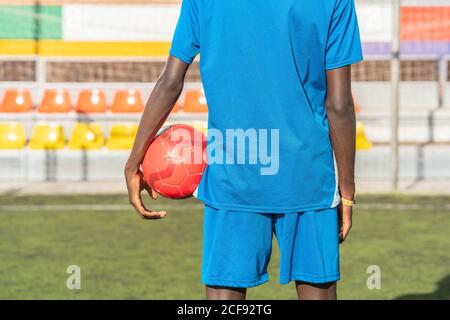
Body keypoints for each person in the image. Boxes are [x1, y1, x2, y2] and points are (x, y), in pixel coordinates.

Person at [125, 0, 362, 300]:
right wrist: (347, 189)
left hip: (234, 166)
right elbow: (339, 104)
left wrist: (134, 161)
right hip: (306, 174)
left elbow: (170, 82)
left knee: (224, 294)